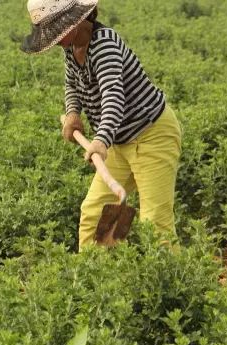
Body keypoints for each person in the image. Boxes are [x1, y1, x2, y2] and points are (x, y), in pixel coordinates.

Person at [21, 0, 182, 249]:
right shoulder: (71, 47)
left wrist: (101, 140)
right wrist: (73, 113)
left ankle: (172, 274)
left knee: (155, 223)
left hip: (151, 134)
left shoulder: (104, 44)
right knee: (93, 212)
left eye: (57, 31)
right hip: (118, 140)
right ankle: (92, 271)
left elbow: (113, 95)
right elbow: (72, 84)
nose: (56, 39)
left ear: (74, 20)